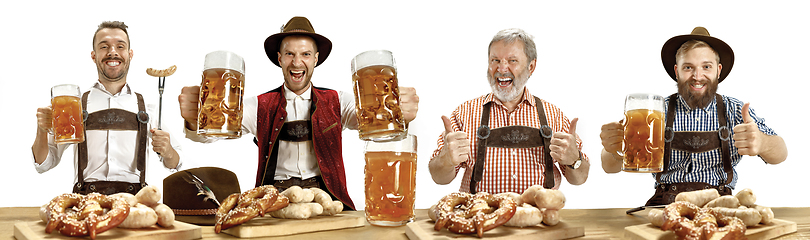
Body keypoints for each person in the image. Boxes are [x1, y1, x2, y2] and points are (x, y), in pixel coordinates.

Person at [178, 16, 419, 210]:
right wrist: (193, 121)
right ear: (279, 58)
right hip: (273, 199)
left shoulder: (338, 101)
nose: (296, 62)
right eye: (290, 54)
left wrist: (399, 116)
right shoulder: (259, 105)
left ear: (316, 59)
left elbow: (377, 128)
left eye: (305, 54)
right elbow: (212, 134)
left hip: (329, 198)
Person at [599, 27, 788, 206]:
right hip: (665, 204)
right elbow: (609, 166)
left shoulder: (736, 109)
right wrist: (614, 148)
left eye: (706, 66)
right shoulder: (656, 111)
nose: (698, 76)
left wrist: (761, 142)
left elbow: (781, 153)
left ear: (718, 70)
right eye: (688, 67)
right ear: (677, 71)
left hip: (721, 205)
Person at [429, 28, 589, 194]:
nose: (502, 68)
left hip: (539, 216)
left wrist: (574, 160)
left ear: (531, 67)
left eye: (512, 60)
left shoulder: (553, 115)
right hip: (480, 216)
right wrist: (446, 160)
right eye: (495, 60)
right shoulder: (465, 113)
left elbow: (579, 178)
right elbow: (439, 177)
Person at [32, 21, 183, 195]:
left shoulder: (147, 108)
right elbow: (44, 163)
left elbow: (175, 162)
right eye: (104, 47)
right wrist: (41, 130)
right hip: (87, 204)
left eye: (120, 46)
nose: (113, 52)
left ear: (130, 54)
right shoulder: (73, 106)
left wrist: (168, 152)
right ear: (94, 55)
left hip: (135, 203)